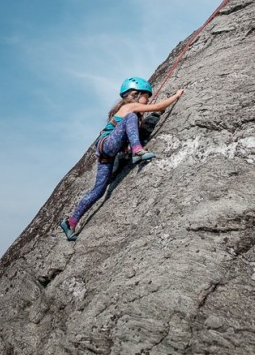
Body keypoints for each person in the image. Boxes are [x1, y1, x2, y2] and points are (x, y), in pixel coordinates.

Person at [59, 77, 184, 241]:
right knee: (131, 117)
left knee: (99, 190)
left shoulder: (131, 109)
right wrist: (176, 95)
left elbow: (134, 129)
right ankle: (137, 151)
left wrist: (154, 115)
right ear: (136, 94)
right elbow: (158, 105)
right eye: (147, 96)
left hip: (106, 153)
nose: (148, 99)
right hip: (108, 145)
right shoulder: (129, 107)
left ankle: (71, 222)